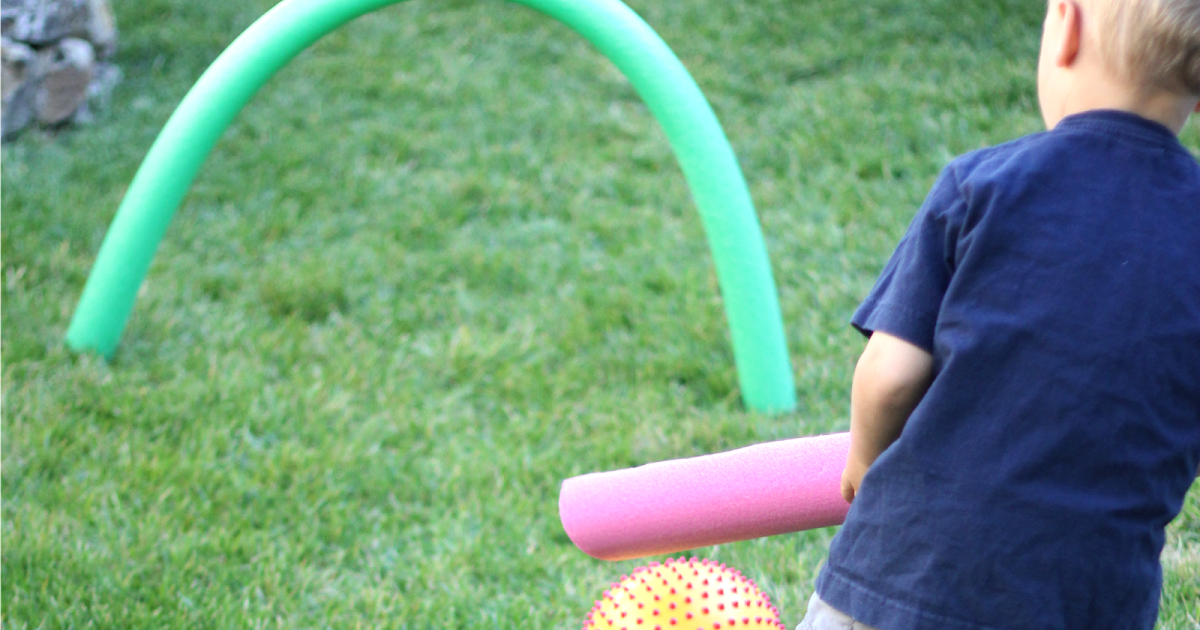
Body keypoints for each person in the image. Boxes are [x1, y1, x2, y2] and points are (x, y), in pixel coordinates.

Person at [797, 1, 1200, 628]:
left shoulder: (983, 184)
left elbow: (891, 374)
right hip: (1089, 600)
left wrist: (863, 463)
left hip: (908, 573)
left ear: (1065, 25)